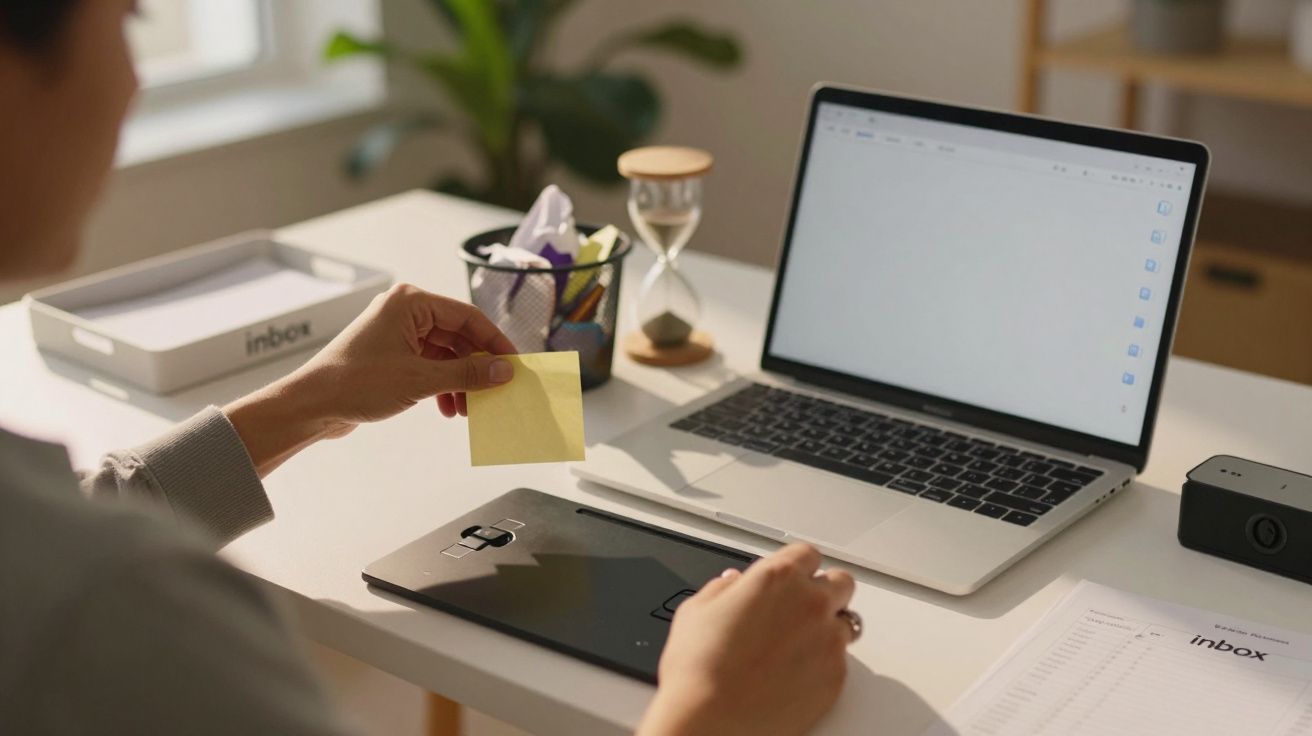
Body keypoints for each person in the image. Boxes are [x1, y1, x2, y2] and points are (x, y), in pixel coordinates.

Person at [0, 1, 859, 734]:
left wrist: (316, 399)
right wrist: (709, 710)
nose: (135, 78)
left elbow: (81, 521)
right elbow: (81, 568)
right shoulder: (107, 609)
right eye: (125, 15)